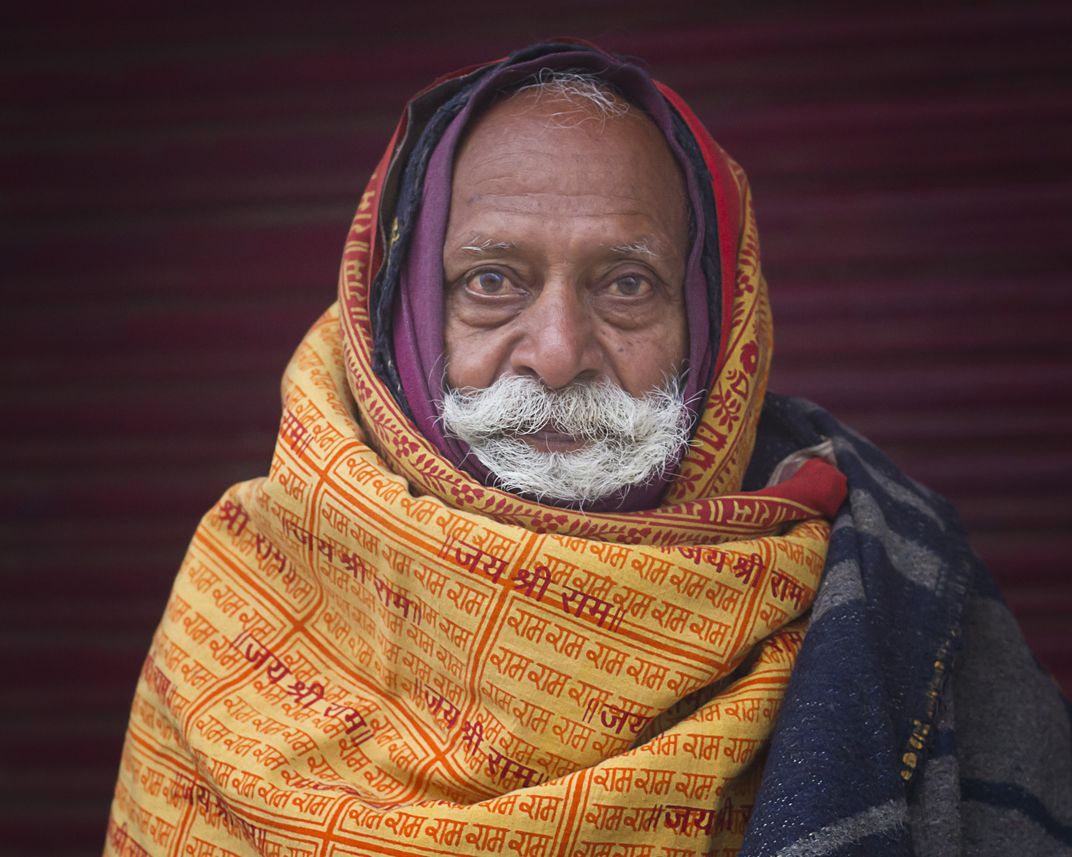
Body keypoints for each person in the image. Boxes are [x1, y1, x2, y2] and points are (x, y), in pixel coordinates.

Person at [105, 41, 1071, 856]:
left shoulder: (888, 581)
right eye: (490, 279)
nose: (559, 353)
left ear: (712, 322)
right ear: (399, 314)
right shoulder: (241, 596)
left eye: (626, 284)